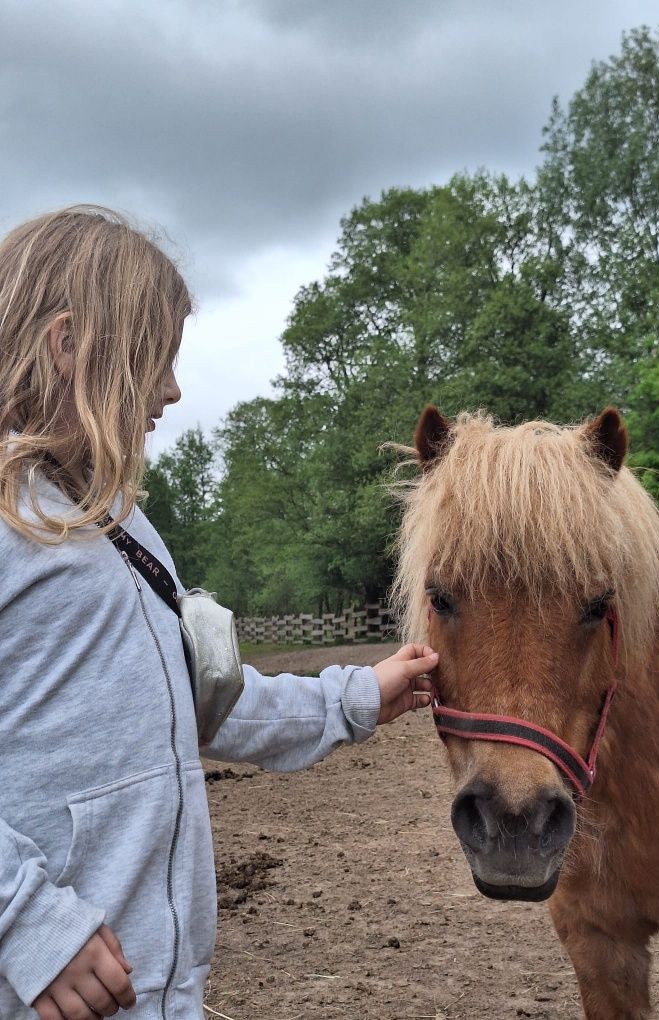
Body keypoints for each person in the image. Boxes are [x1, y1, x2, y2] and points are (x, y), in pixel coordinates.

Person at [0, 206, 438, 1020]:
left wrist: (354, 697)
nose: (171, 389)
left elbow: (199, 700)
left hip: (157, 995)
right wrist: (27, 926)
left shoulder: (122, 527)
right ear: (68, 348)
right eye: (154, 359)